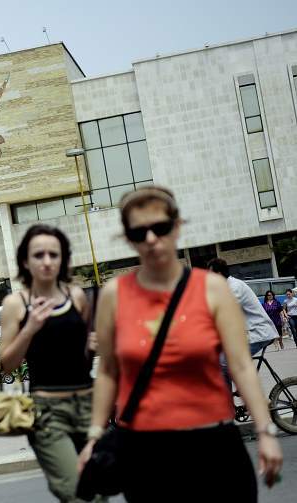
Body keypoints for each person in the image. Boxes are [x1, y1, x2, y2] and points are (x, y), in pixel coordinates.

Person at [78, 187, 282, 502]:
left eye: (159, 227)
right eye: (138, 231)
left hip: (215, 449)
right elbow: (107, 371)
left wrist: (266, 431)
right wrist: (94, 435)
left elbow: (241, 366)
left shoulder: (212, 289)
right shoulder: (114, 296)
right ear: (128, 238)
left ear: (176, 227)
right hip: (145, 454)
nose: (150, 238)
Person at [0, 224, 94, 502]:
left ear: (63, 258)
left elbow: (85, 353)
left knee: (97, 489)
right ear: (25, 261)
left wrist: (94, 344)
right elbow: (6, 365)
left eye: (54, 254)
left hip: (88, 404)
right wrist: (29, 329)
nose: (47, 261)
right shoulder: (16, 304)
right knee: (73, 491)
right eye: (38, 255)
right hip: (48, 411)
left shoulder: (75, 296)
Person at [207, 258, 278, 387]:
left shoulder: (235, 287)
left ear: (218, 274)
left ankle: (232, 401)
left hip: (258, 333)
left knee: (223, 362)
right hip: (249, 333)